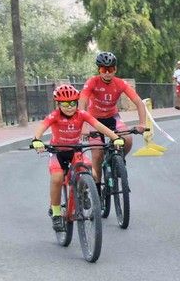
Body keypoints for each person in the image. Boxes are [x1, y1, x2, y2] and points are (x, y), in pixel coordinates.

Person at [30, 84, 125, 232]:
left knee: (91, 171)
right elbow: (42, 126)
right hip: (57, 152)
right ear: (58, 104)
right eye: (65, 104)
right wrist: (36, 140)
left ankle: (84, 191)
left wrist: (115, 137)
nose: (69, 107)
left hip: (75, 150)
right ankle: (56, 212)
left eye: (72, 103)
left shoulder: (82, 114)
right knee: (57, 178)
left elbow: (98, 125)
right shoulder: (55, 115)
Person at [79, 51, 150, 182]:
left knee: (127, 139)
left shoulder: (120, 83)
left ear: (115, 69)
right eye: (103, 69)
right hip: (94, 120)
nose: (107, 73)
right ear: (99, 70)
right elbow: (82, 102)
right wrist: (84, 126)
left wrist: (142, 123)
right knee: (98, 154)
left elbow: (139, 103)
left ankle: (118, 161)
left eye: (110, 69)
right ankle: (97, 187)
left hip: (112, 117)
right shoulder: (92, 82)